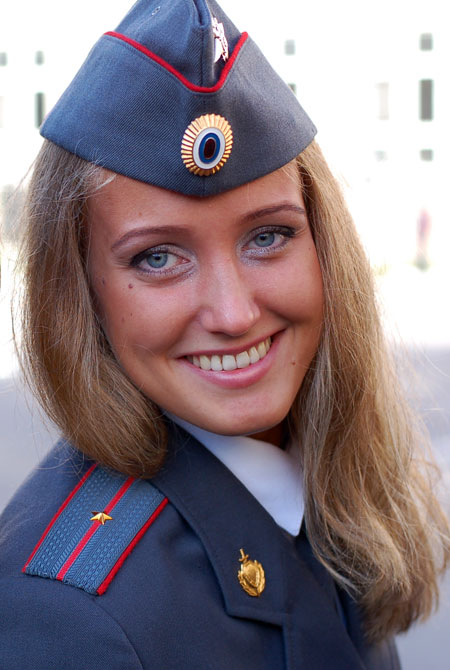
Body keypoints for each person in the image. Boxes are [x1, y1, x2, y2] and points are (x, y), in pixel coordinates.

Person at [0, 0, 448, 667]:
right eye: (158, 257)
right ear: (80, 293)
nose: (234, 314)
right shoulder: (70, 620)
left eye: (268, 236)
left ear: (324, 247)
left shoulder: (321, 481)